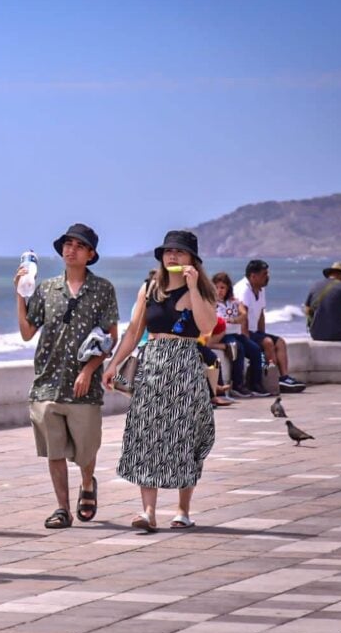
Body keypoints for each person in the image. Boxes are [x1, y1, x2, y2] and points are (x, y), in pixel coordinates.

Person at [103, 230, 216, 532]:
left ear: (192, 259)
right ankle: (148, 512)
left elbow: (207, 327)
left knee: (186, 435)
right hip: (153, 365)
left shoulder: (201, 290)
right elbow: (132, 332)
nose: (172, 256)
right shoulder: (151, 287)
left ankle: (183, 510)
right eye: (168, 251)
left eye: (179, 252)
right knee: (146, 435)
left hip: (186, 367)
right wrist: (113, 364)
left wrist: (192, 286)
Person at [15, 223, 118, 529]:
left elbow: (110, 338)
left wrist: (89, 370)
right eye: (67, 244)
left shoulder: (102, 290)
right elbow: (26, 332)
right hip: (47, 383)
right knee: (54, 450)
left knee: (87, 448)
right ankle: (62, 508)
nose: (70, 249)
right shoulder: (46, 288)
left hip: (84, 385)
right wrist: (19, 295)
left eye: (78, 245)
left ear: (90, 254)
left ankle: (87, 484)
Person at [233, 260, 306, 393]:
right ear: (253, 276)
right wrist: (248, 341)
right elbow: (243, 318)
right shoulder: (243, 290)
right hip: (242, 332)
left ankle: (283, 377)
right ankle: (269, 378)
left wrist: (263, 333)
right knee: (267, 343)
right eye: (264, 274)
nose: (268, 277)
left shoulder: (261, 289)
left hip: (255, 331)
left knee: (280, 342)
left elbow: (261, 314)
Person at [211, 272, 266, 397]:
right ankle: (237, 385)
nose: (219, 291)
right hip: (222, 335)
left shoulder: (233, 301)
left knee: (255, 349)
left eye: (222, 288)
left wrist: (235, 320)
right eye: (217, 287)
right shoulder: (211, 303)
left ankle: (256, 383)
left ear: (227, 289)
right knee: (237, 348)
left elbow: (243, 314)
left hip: (235, 332)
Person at [303, 262, 341, 341]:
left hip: (316, 334)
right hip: (339, 334)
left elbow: (307, 310)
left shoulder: (315, 285)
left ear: (330, 274)